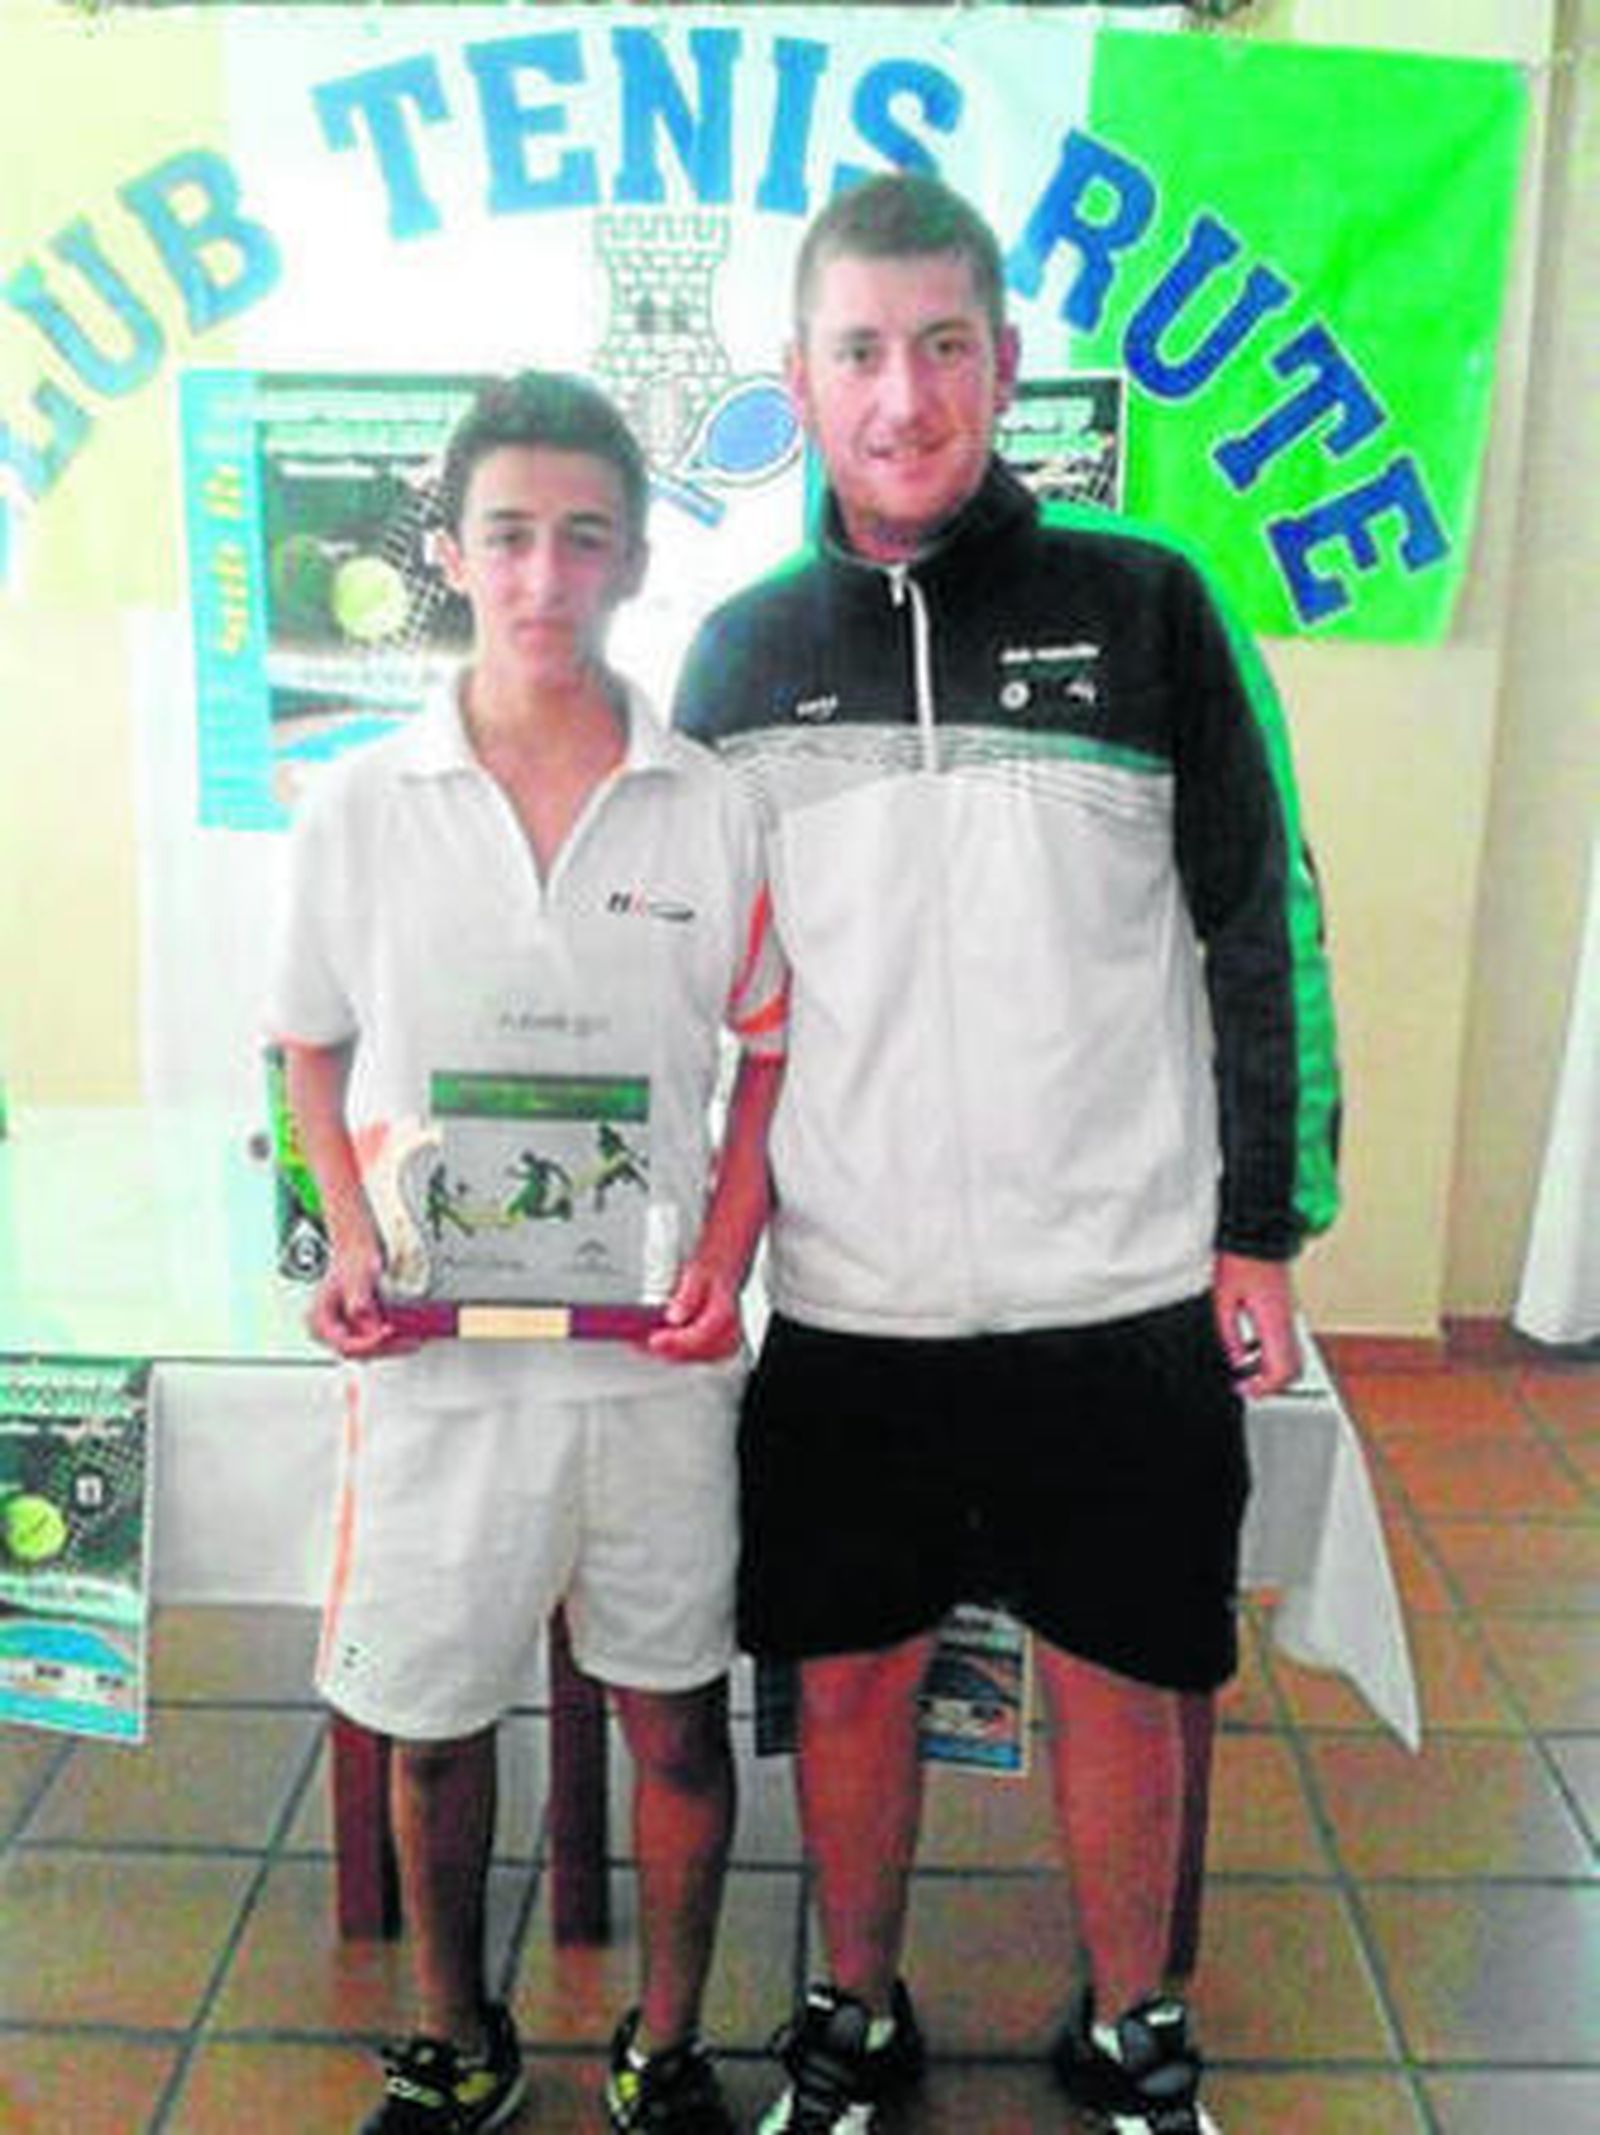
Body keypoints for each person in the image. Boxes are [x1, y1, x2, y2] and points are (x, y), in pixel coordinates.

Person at [674, 173, 1340, 2135]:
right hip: (852, 1292)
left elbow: (1257, 920)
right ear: (797, 383)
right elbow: (688, 985)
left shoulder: (1143, 609)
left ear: (1003, 364)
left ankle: (1130, 2032)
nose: (904, 393)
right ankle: (853, 2016)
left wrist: (1256, 1228)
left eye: (941, 345)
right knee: (848, 1680)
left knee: (1124, 1682)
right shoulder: (732, 659)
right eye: (860, 351)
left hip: (1113, 1287)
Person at [266, 370, 786, 2134]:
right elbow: (310, 1048)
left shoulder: (710, 803)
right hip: (440, 1361)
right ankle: (451, 2034)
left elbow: (766, 1047)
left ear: (634, 558)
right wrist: (346, 1237)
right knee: (428, 1724)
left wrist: (723, 1258)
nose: (544, 576)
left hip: (653, 1365)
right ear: (450, 552)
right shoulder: (358, 804)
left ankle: (668, 2041)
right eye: (508, 537)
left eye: (582, 538)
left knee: (676, 1728)